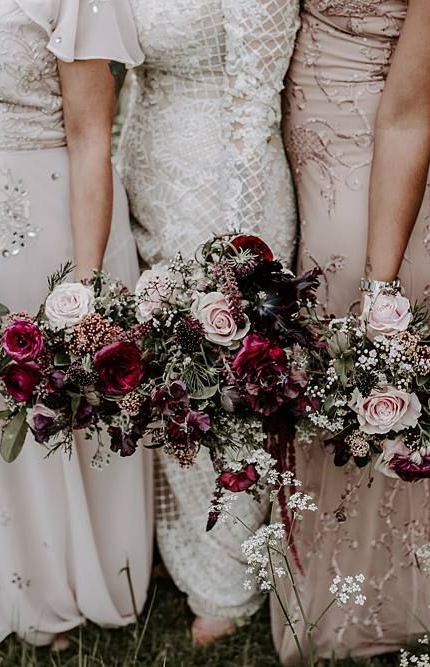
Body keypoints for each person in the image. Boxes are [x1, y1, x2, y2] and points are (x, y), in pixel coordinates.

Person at [0, 0, 153, 647]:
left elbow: (90, 138)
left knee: (29, 402)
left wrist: (82, 287)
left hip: (38, 225)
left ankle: (50, 575)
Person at [271, 1, 430, 663]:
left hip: (375, 197)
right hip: (304, 175)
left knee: (368, 402)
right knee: (317, 400)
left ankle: (378, 612)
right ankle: (309, 591)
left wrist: (381, 283)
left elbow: (410, 111)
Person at [116, 0, 299, 645]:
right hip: (145, 169)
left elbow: (257, 102)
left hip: (219, 181)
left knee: (219, 381)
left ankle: (230, 577)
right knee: (160, 374)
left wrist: (238, 246)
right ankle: (183, 543)